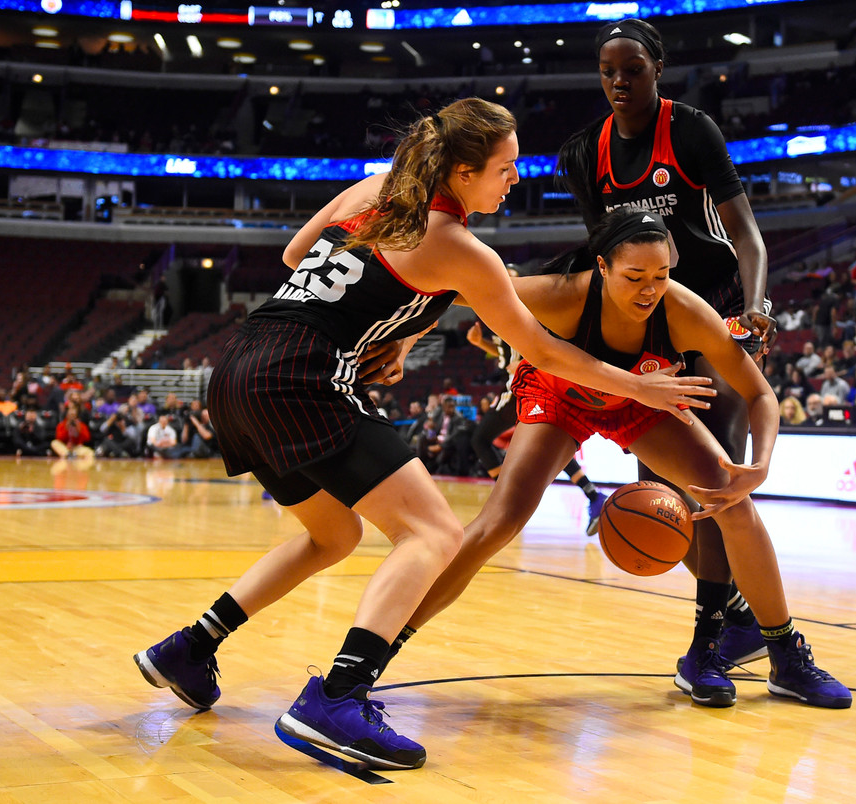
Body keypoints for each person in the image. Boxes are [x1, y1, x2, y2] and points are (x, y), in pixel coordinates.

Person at [134, 99, 718, 770]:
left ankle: (192, 647)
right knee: (435, 533)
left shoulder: (378, 190)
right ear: (464, 172)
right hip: (301, 377)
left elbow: (300, 253)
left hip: (239, 369)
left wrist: (395, 329)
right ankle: (337, 696)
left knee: (335, 535)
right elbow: (545, 350)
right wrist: (641, 385)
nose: (514, 178)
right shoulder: (459, 247)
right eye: (505, 167)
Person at [386, 210, 851, 711]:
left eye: (661, 275)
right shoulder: (560, 294)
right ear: (603, 267)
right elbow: (450, 289)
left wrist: (760, 464)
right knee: (499, 522)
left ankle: (785, 652)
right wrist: (400, 338)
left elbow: (760, 395)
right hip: (561, 394)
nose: (649, 290)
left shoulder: (684, 311)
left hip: (638, 403)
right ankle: (378, 649)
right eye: (634, 277)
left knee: (730, 498)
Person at [554, 18, 780, 670]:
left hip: (714, 316)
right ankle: (736, 616)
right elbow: (603, 257)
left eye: (632, 69)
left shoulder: (689, 130)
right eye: (608, 72)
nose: (619, 82)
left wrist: (757, 308)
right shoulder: (584, 153)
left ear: (657, 68)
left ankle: (707, 641)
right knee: (663, 506)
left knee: (713, 484)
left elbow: (747, 235)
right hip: (646, 328)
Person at [466, 320, 609, 535]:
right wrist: (481, 343)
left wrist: (528, 363)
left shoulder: (516, 304)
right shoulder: (497, 312)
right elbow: (506, 352)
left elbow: (544, 340)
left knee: (480, 439)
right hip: (524, 383)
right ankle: (594, 496)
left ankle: (506, 500)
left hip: (524, 385)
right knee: (550, 446)